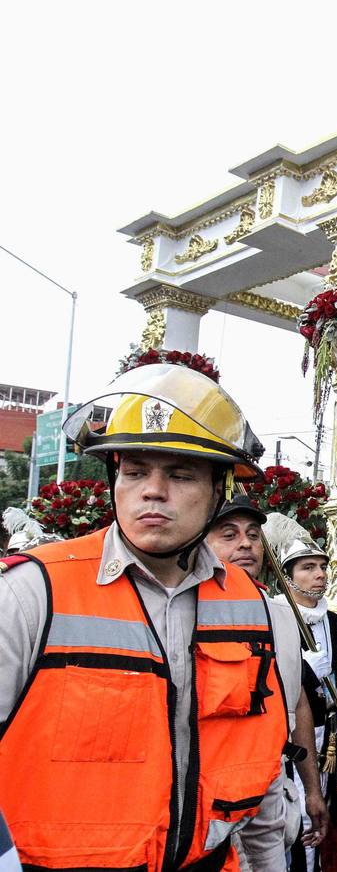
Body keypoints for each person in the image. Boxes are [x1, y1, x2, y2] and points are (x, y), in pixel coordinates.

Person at [0, 364, 288, 871]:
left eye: (179, 474)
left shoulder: (249, 602)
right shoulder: (31, 593)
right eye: (134, 472)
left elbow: (258, 770)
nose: (153, 491)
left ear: (219, 491)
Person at [205, 496, 328, 871]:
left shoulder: (282, 615)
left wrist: (311, 789)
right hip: (208, 804)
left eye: (254, 535)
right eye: (229, 534)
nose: (245, 544)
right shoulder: (186, 611)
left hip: (269, 794)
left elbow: (298, 704)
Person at [271, 538, 337, 872]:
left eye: (322, 567)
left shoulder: (334, 622)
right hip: (286, 738)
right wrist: (305, 670)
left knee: (317, 814)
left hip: (327, 738)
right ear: (289, 575)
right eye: (308, 567)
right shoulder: (273, 617)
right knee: (287, 819)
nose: (319, 575)